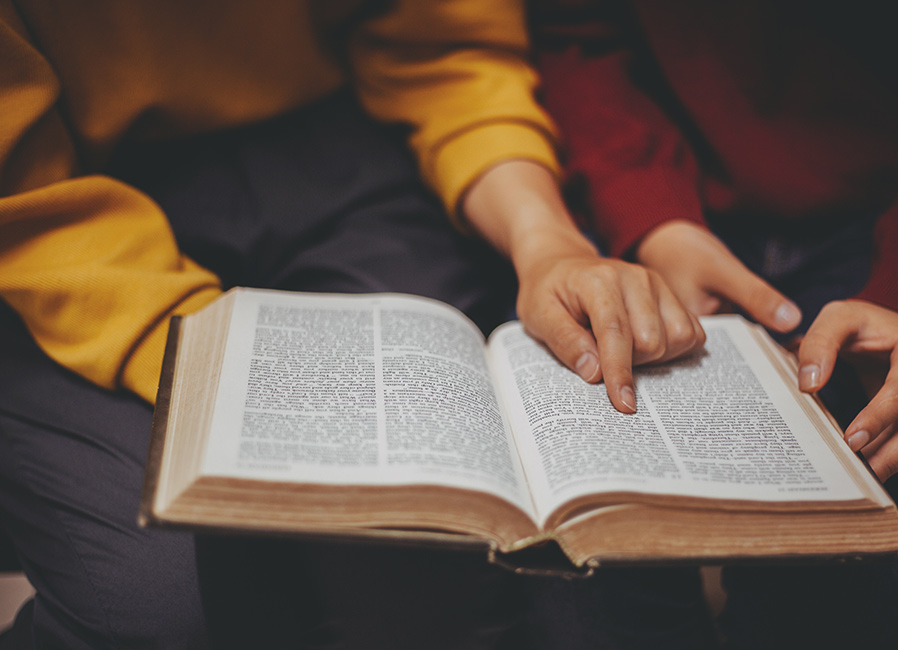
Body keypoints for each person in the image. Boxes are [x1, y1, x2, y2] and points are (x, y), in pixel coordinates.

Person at [0, 1, 706, 647]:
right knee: (161, 606)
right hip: (53, 219)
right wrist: (218, 361)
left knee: (443, 555)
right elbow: (23, 189)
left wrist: (546, 238)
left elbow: (445, 51)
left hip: (347, 139)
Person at [530, 0, 898, 648]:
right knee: (592, 572)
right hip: (665, 201)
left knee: (847, 585)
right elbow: (577, 37)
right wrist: (654, 217)